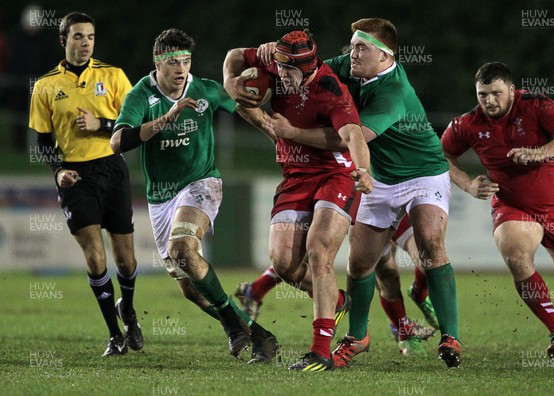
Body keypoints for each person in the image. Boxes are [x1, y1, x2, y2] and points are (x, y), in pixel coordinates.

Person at [231, 18, 461, 368]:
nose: (351, 53)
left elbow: (348, 137)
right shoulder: (342, 67)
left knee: (428, 244)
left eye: (361, 48)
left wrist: (289, 131)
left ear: (384, 56)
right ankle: (360, 337)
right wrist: (240, 79)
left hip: (419, 173)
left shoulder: (392, 92)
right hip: (374, 175)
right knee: (362, 262)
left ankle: (449, 335)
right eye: (352, 45)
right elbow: (260, 60)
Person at [110, 28, 279, 364]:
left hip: (202, 183)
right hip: (161, 197)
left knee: (181, 248)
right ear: (157, 64)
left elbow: (244, 107)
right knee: (190, 287)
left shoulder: (204, 90)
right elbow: (117, 142)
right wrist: (164, 120)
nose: (181, 68)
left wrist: (276, 135)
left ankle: (233, 325)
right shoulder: (142, 95)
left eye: (186, 60)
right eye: (173, 61)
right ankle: (260, 336)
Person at [223, 30, 373, 371]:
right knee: (283, 263)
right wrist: (230, 83)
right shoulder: (277, 61)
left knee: (319, 251)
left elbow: (349, 135)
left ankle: (321, 351)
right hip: (294, 175)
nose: (282, 77)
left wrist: (363, 169)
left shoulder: (331, 89)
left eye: (289, 72)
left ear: (307, 69)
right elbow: (233, 55)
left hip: (336, 175)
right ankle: (335, 300)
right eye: (279, 69)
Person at [442, 61, 554, 360]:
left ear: (512, 91)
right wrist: (467, 184)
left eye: (496, 93)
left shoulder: (537, 105)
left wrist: (540, 152)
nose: (489, 100)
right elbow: (443, 155)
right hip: (512, 205)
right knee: (516, 256)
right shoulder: (467, 124)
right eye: (482, 94)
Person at [29, 12, 142, 357]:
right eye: (78, 37)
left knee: (125, 260)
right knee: (95, 257)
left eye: (90, 37)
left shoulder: (114, 76)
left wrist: (103, 124)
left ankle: (130, 312)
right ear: (63, 40)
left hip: (112, 169)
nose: (85, 43)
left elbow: (136, 130)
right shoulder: (46, 85)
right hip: (75, 177)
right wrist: (57, 171)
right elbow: (43, 141)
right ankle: (114, 335)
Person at [235, 215, 438, 356]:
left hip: (394, 191)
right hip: (360, 195)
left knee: (423, 258)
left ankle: (414, 303)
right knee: (309, 255)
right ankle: (402, 328)